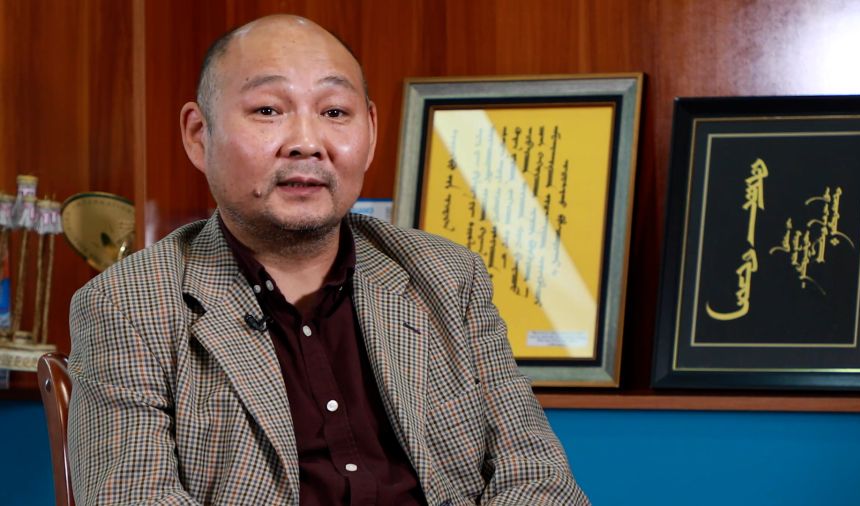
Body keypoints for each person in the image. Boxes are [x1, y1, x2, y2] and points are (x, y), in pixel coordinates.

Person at [68, 14, 589, 505]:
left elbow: (539, 478)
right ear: (198, 135)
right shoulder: (127, 305)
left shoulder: (447, 277)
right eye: (268, 110)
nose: (306, 143)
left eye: (334, 112)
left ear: (371, 132)